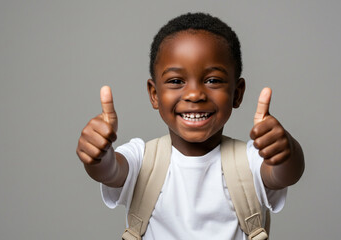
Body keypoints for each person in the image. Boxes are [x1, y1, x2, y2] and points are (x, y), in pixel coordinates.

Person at [76, 12, 304, 239]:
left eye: (213, 80)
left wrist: (285, 152)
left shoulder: (250, 161)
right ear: (154, 94)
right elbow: (110, 171)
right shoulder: (141, 158)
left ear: (237, 93)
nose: (195, 94)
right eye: (176, 81)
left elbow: (283, 174)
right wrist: (99, 154)